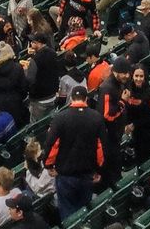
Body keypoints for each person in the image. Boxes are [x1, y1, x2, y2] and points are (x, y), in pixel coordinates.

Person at [43, 84, 106, 223]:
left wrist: (48, 165)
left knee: (68, 216)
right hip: (87, 175)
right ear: (86, 99)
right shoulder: (96, 118)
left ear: (72, 99)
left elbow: (51, 145)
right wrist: (99, 170)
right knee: (84, 212)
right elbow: (101, 148)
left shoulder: (61, 118)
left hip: (66, 176)